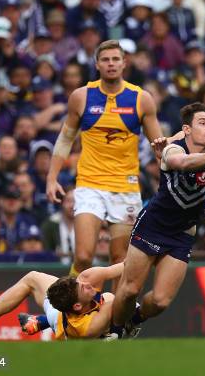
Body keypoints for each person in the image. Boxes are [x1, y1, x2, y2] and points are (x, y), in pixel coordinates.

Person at [110, 103, 205, 338]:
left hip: (182, 234)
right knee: (130, 290)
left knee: (160, 301)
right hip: (153, 226)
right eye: (202, 123)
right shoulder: (174, 149)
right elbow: (179, 163)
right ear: (187, 129)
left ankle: (134, 320)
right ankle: (113, 332)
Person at [45, 40, 162, 284]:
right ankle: (72, 309)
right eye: (106, 60)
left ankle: (113, 319)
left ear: (124, 63)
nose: (111, 64)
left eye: (115, 59)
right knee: (84, 255)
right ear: (97, 64)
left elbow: (159, 146)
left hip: (125, 187)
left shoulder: (141, 99)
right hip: (90, 184)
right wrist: (52, 177)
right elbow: (65, 139)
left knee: (119, 259)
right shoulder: (81, 96)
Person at [0, 263, 124, 340]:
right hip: (66, 327)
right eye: (81, 284)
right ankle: (40, 321)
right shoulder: (98, 298)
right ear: (76, 304)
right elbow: (124, 276)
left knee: (32, 278)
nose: (85, 282)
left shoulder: (85, 286)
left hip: (64, 318)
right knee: (110, 298)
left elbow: (123, 267)